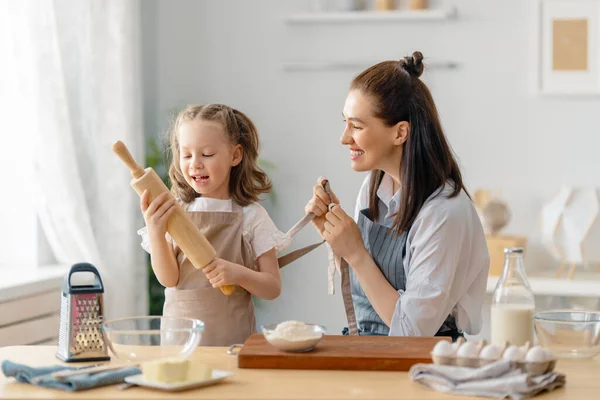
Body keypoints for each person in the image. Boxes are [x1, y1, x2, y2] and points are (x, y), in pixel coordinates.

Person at [305, 51, 490, 340]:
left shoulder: (443, 213)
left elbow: (411, 333)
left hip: (425, 364)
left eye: (356, 126)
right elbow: (366, 290)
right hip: (371, 355)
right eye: (345, 123)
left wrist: (355, 252)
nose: (344, 138)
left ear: (400, 133)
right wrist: (336, 233)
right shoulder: (374, 187)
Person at [138, 104, 290, 346]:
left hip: (233, 344)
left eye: (207, 154)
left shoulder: (251, 216)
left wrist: (237, 273)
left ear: (235, 156)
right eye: (186, 155)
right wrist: (156, 233)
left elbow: (272, 287)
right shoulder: (174, 212)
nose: (195, 164)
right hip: (180, 345)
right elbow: (169, 279)